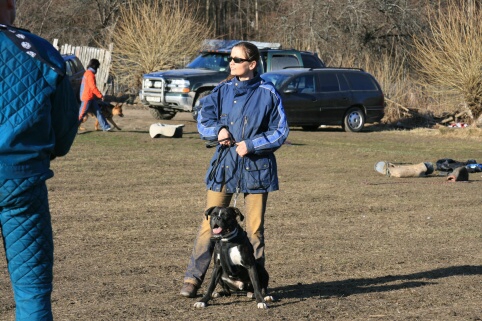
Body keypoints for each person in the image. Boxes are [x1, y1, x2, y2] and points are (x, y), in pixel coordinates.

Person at [180, 41, 290, 297]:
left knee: (254, 230)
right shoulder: (222, 90)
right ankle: (193, 279)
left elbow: (281, 131)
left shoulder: (268, 93)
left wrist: (251, 145)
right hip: (224, 167)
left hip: (257, 170)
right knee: (209, 226)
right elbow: (203, 118)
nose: (231, 63)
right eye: (230, 58)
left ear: (251, 64)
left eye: (237, 59)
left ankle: (256, 285)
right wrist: (218, 130)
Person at [0, 1, 79, 319]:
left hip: (23, 177)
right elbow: (63, 134)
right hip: (23, 182)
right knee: (32, 293)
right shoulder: (39, 50)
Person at [78, 58, 111, 131]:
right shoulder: (90, 75)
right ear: (95, 67)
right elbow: (92, 87)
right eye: (97, 67)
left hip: (90, 97)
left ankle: (105, 127)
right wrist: (100, 95)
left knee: (98, 112)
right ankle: (73, 129)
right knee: (81, 114)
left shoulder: (87, 73)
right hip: (87, 97)